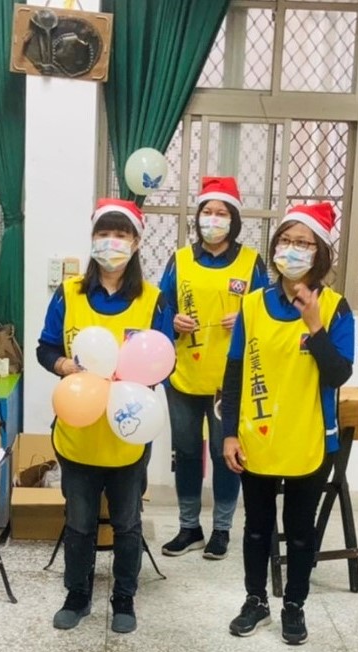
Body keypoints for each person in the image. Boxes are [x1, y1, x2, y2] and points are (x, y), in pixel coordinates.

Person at [37, 199, 173, 634]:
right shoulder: (70, 293)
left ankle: (124, 598)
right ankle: (77, 596)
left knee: (127, 523)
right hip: (78, 433)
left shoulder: (153, 299)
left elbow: (164, 361)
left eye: (120, 235)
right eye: (103, 234)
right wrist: (66, 367)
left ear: (136, 242)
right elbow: (45, 348)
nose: (110, 243)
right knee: (79, 524)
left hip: (128, 434)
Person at [221, 202, 354, 645]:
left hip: (310, 440)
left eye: (303, 242)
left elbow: (339, 374)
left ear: (320, 253)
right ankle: (255, 600)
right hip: (256, 437)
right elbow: (235, 372)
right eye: (286, 240)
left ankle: (294, 605)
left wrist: (314, 325)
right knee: (256, 528)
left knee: (299, 533)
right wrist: (228, 433)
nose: (292, 249)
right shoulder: (253, 304)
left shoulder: (334, 308)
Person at [158, 176, 268, 560]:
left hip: (231, 380)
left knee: (227, 454)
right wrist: (173, 322)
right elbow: (162, 308)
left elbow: (268, 314)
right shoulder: (180, 260)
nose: (214, 219)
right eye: (207, 211)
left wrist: (246, 319)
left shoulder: (252, 263)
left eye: (222, 213)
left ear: (234, 220)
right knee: (187, 452)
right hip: (184, 375)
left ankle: (222, 529)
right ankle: (189, 527)